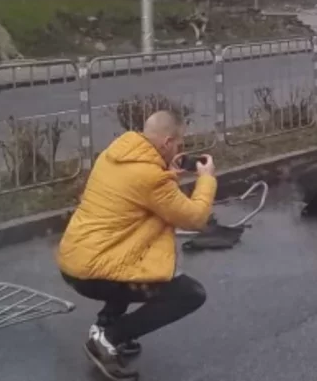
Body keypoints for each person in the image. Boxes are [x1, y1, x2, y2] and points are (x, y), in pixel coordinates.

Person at [57, 110, 217, 381]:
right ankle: (107, 339)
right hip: (94, 271)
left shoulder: (114, 155)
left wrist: (167, 173)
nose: (181, 149)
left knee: (132, 262)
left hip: (76, 260)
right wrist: (206, 179)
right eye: (179, 144)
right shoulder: (152, 179)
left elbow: (143, 191)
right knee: (189, 294)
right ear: (166, 143)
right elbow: (196, 217)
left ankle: (104, 326)